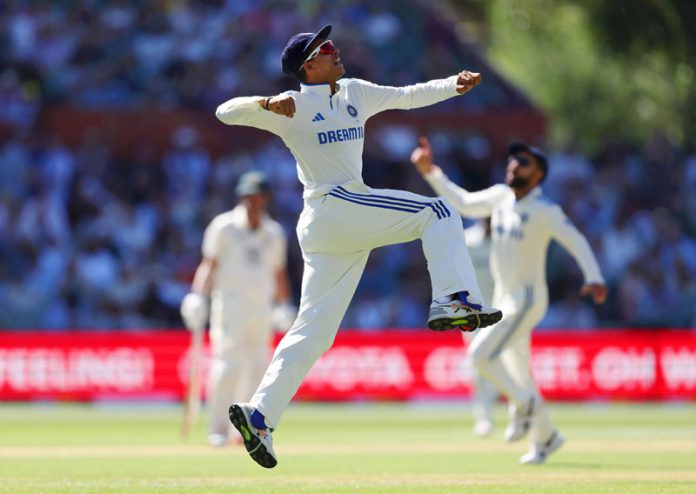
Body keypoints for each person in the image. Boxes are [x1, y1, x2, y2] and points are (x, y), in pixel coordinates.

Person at [214, 24, 503, 468]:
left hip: (336, 224)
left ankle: (260, 415)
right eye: (326, 48)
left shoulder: (354, 91)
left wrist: (453, 86)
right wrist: (266, 104)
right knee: (439, 212)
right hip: (331, 206)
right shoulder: (292, 106)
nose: (336, 50)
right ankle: (453, 301)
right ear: (308, 65)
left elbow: (406, 96)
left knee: (314, 333)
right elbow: (224, 112)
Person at [410, 136, 607, 464]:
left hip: (527, 298)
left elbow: (576, 240)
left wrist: (594, 277)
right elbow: (466, 203)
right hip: (504, 297)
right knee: (518, 372)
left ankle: (523, 403)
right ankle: (546, 438)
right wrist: (431, 172)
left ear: (539, 175)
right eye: (513, 160)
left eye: (523, 162)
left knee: (478, 354)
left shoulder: (545, 211)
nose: (514, 165)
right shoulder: (501, 197)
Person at [179, 170, 296, 447]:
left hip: (262, 311)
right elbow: (209, 265)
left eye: (257, 196)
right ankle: (218, 427)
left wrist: (284, 304)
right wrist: (198, 296)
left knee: (258, 368)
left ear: (265, 198)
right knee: (228, 367)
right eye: (247, 196)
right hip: (230, 309)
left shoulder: (274, 233)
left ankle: (246, 429)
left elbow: (278, 273)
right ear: (241, 197)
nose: (252, 202)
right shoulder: (224, 227)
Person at [462, 219, 499, 437]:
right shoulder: (467, 240)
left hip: (502, 310)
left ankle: (519, 411)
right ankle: (483, 416)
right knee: (477, 362)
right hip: (473, 313)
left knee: (502, 362)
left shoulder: (506, 240)